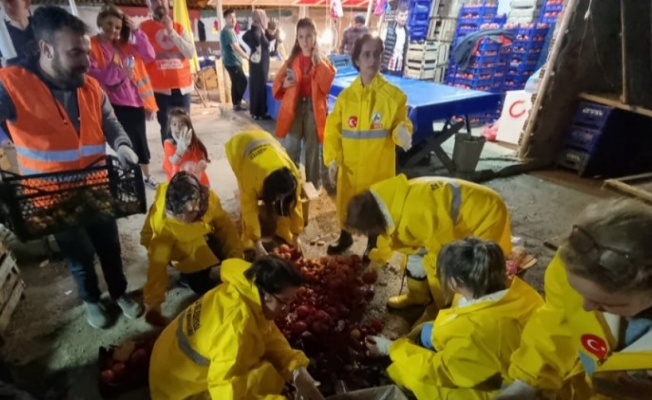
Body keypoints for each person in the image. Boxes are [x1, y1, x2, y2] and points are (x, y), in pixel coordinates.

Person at [0, 6, 143, 329]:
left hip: (95, 186)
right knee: (78, 254)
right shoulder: (11, 85)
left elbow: (110, 121)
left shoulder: (91, 87)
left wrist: (122, 147)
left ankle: (119, 292)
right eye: (76, 52)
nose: (87, 60)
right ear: (46, 49)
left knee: (110, 246)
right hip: (53, 195)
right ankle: (91, 300)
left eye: (87, 51)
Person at [498, 198, 652, 400]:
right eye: (579, 293)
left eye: (610, 304)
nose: (586, 307)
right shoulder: (572, 268)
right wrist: (527, 382)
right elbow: (555, 325)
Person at [366, 238, 543, 400]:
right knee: (426, 331)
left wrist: (389, 349)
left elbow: (441, 371)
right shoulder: (523, 292)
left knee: (403, 371)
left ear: (456, 282)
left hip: (496, 389)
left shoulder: (472, 331)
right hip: (502, 361)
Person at [149, 256, 325, 400]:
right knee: (267, 377)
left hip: (168, 356)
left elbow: (268, 332)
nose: (286, 309)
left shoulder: (246, 290)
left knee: (266, 366)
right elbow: (226, 392)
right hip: (177, 390)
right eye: (284, 302)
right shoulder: (237, 327)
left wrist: (296, 368)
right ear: (266, 294)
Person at [346, 174, 512, 326]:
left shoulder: (415, 215)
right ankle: (418, 297)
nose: (367, 235)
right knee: (413, 255)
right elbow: (387, 234)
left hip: (483, 214)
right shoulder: (384, 201)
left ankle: (440, 310)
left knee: (458, 270)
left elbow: (442, 254)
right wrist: (377, 259)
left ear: (373, 222)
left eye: (366, 231)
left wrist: (439, 289)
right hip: (443, 222)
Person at [324, 34, 412, 258]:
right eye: (366, 54)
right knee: (347, 205)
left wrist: (402, 131)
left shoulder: (394, 97)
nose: (372, 59)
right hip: (351, 168)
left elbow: (400, 124)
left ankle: (373, 246)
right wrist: (332, 159)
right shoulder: (345, 98)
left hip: (378, 170)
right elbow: (333, 130)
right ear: (357, 60)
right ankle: (345, 237)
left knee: (376, 209)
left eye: (376, 54)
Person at [141, 171, 243, 327]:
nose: (180, 218)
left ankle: (204, 267)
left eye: (185, 213)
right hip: (178, 249)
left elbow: (225, 227)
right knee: (202, 286)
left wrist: (236, 258)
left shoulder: (208, 200)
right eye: (177, 214)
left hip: (202, 232)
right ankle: (186, 276)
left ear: (197, 206)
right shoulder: (165, 225)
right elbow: (157, 263)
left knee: (228, 262)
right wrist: (153, 304)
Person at [89, 4, 159, 189]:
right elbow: (95, 76)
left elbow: (149, 54)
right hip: (111, 106)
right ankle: (128, 180)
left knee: (140, 142)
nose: (113, 29)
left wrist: (136, 30)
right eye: (109, 24)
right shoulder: (92, 46)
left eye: (118, 27)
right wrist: (120, 73)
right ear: (100, 23)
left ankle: (146, 177)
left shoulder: (125, 44)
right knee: (121, 144)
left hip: (135, 102)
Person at [272, 18, 335, 188]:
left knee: (312, 148)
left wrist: (318, 63)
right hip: (295, 107)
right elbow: (277, 83)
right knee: (292, 145)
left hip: (314, 108)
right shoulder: (292, 59)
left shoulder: (322, 60)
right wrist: (284, 85)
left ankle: (313, 184)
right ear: (297, 39)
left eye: (308, 36)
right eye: (301, 37)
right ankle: (290, 183)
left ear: (315, 37)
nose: (305, 41)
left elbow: (326, 85)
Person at [226, 130, 304, 257]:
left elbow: (295, 204)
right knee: (247, 201)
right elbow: (249, 209)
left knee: (285, 200)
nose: (281, 199)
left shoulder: (292, 175)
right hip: (241, 148)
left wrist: (296, 234)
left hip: (266, 142)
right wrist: (257, 242)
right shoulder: (250, 177)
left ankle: (283, 230)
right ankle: (248, 239)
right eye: (278, 195)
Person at [141, 0, 195, 143]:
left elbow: (190, 53)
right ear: (149, 5)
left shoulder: (179, 27)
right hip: (160, 91)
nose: (159, 3)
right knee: (167, 129)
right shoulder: (143, 29)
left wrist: (171, 31)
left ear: (169, 2)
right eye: (154, 1)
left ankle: (185, 163)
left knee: (185, 128)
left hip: (183, 87)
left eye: (163, 0)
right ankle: (171, 164)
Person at [162, 107, 210, 186]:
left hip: (196, 179)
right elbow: (174, 161)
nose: (178, 127)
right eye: (174, 124)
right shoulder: (168, 144)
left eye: (182, 124)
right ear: (170, 127)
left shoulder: (195, 142)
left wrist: (202, 164)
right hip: (177, 182)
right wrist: (180, 149)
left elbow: (201, 158)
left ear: (188, 126)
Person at [242, 9, 270, 120]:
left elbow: (245, 37)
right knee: (260, 87)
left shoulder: (253, 28)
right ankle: (260, 113)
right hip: (260, 64)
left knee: (254, 86)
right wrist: (257, 46)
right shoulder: (258, 30)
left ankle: (254, 112)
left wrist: (254, 47)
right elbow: (259, 41)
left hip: (255, 64)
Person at [220, 8, 249, 112]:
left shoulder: (230, 30)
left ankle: (236, 104)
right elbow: (235, 47)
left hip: (232, 62)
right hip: (232, 62)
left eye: (234, 17)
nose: (233, 19)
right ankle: (237, 103)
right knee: (243, 82)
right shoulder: (227, 31)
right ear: (225, 19)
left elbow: (237, 45)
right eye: (230, 17)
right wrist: (247, 57)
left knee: (236, 83)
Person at [0, 0, 37, 64]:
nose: (8, 7)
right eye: (4, 3)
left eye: (11, 1)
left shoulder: (41, 24)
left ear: (26, 3)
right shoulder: (3, 37)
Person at [380, 3, 409, 77]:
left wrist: (405, 65)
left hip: (399, 68)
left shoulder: (406, 32)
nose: (404, 18)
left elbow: (405, 50)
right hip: (387, 67)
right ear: (396, 17)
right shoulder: (388, 30)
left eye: (406, 15)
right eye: (402, 15)